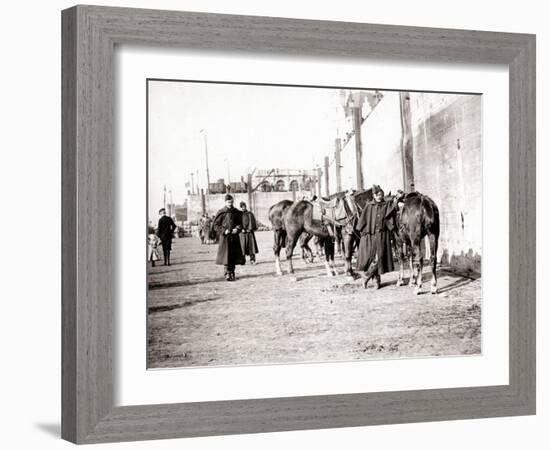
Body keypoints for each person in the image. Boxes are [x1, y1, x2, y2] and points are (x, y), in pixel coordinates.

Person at [355, 184, 397, 289]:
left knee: (380, 258)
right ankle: (376, 281)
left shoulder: (386, 205)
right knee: (371, 259)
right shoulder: (369, 206)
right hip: (370, 235)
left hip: (382, 235)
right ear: (373, 196)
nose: (379, 196)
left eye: (381, 194)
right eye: (377, 194)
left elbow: (391, 211)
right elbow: (363, 220)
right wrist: (363, 232)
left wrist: (396, 200)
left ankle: (366, 278)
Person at [213, 194, 245, 281]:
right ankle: (227, 273)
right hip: (225, 238)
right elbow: (216, 225)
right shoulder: (221, 212)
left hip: (234, 237)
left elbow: (241, 223)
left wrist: (237, 229)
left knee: (233, 256)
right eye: (228, 202)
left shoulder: (236, 212)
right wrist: (224, 231)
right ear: (225, 202)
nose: (230, 204)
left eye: (231, 202)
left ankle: (232, 272)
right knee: (226, 256)